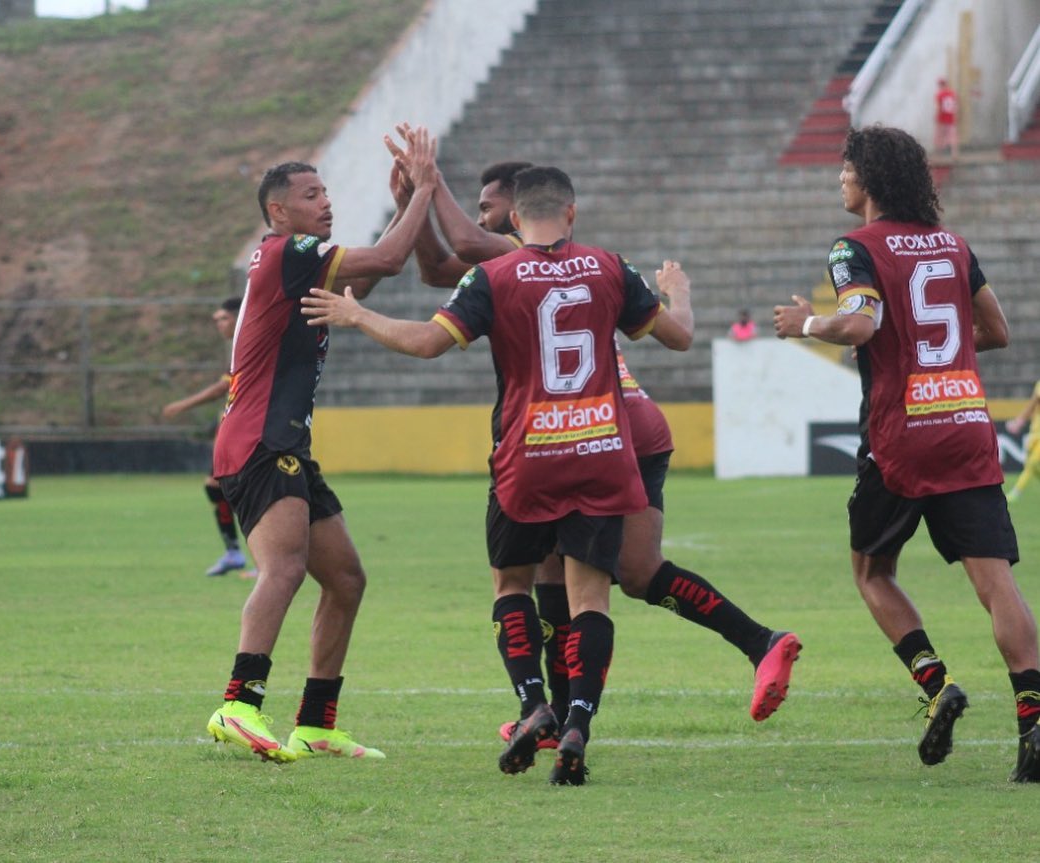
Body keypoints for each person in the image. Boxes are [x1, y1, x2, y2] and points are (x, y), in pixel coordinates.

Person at [382, 139, 801, 740]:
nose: (476, 221)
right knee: (562, 577)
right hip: (608, 428)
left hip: (605, 431)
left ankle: (758, 641)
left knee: (622, 573)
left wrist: (430, 184)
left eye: (485, 207)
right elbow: (434, 270)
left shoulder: (523, 257)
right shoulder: (550, 263)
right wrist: (415, 207)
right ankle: (552, 716)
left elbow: (471, 250)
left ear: (516, 210)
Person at [301, 166, 693, 785]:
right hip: (599, 450)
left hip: (527, 454)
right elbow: (680, 338)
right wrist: (680, 292)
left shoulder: (494, 274)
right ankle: (577, 727)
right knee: (590, 597)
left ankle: (534, 703)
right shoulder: (611, 267)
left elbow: (429, 342)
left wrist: (358, 318)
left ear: (514, 219)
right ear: (571, 213)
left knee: (512, 585)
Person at [773, 125, 1040, 782]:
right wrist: (939, 355)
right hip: (965, 425)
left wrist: (804, 324)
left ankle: (935, 685)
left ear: (869, 179)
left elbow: (859, 324)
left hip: (901, 436)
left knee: (871, 571)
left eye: (845, 168)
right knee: (994, 582)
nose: (839, 178)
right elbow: (995, 331)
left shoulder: (853, 248)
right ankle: (1033, 729)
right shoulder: (952, 246)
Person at [206, 127, 439, 763]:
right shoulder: (287, 251)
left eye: (325, 191)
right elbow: (388, 261)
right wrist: (424, 187)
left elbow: (360, 290)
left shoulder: (298, 261)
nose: (325, 202)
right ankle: (239, 704)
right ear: (278, 210)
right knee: (282, 567)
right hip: (259, 440)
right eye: (311, 194)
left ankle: (315, 723)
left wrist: (403, 208)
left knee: (345, 579)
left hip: (282, 441)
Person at [162, 296, 253, 577]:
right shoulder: (239, 344)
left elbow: (220, 390)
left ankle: (266, 560)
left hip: (250, 427)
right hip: (233, 425)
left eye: (223, 318)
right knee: (216, 487)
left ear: (238, 317)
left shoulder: (249, 340)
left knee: (247, 492)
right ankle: (234, 553)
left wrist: (182, 405)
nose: (218, 324)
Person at [1005, 381, 1040, 503]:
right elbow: (1032, 406)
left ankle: (1016, 492)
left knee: (1032, 462)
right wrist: (1018, 422)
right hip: (1036, 430)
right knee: (1031, 466)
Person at [933, 78, 959, 161]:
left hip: (942, 118)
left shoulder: (939, 94)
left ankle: (939, 154)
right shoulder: (952, 93)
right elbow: (956, 106)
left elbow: (939, 108)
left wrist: (936, 117)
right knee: (952, 136)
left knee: (939, 136)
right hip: (951, 118)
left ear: (941, 85)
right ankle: (954, 154)